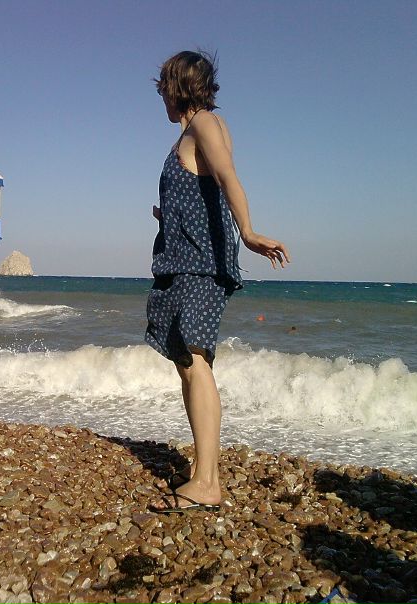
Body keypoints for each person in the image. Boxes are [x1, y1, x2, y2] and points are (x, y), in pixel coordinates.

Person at [146, 50, 290, 513]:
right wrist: (170, 217)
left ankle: (208, 480)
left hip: (199, 262)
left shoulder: (205, 124)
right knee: (188, 360)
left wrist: (248, 232)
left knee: (194, 358)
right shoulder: (197, 130)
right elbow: (204, 190)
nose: (161, 98)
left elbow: (228, 178)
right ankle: (202, 471)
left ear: (175, 88)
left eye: (163, 89)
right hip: (186, 255)